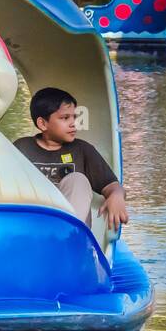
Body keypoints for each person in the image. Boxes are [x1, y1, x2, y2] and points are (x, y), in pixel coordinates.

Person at [13, 87, 129, 233]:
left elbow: (112, 186)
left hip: (71, 234)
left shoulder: (82, 150)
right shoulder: (21, 148)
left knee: (77, 179)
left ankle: (69, 236)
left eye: (74, 117)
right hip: (29, 229)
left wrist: (117, 196)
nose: (73, 123)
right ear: (43, 124)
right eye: (65, 118)